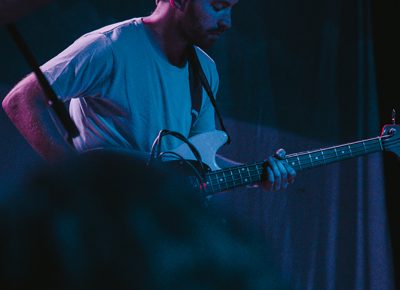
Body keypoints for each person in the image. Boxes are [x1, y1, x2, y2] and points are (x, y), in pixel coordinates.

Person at [2, 0, 295, 191]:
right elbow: (21, 100)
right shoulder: (111, 46)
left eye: (231, 8)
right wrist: (78, 185)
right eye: (218, 6)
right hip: (103, 232)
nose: (227, 21)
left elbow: (199, 163)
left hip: (152, 241)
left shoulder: (206, 70)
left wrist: (258, 175)